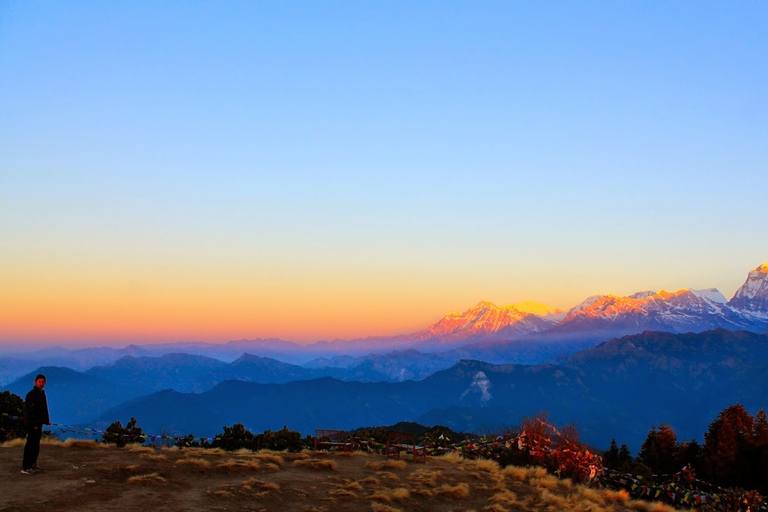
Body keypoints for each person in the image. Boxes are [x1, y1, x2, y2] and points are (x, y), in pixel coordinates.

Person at [21, 374, 50, 474]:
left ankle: (33, 463)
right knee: (30, 445)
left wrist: (46, 420)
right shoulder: (31, 395)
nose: (41, 384)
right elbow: (30, 411)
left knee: (36, 445)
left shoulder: (42, 394)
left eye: (43, 382)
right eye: (39, 382)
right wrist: (35, 424)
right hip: (32, 424)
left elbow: (43, 409)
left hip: (39, 423)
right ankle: (26, 467)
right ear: (35, 382)